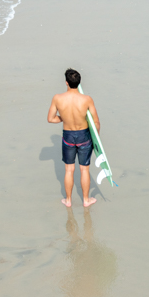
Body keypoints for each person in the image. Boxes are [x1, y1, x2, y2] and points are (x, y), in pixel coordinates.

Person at [47, 68, 100, 208]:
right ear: (79, 82)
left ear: (66, 82)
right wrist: (96, 141)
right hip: (84, 136)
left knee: (69, 170)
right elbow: (96, 122)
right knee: (84, 169)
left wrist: (63, 117)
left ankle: (68, 200)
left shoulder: (57, 98)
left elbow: (50, 119)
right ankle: (86, 200)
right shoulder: (87, 99)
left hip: (68, 136)